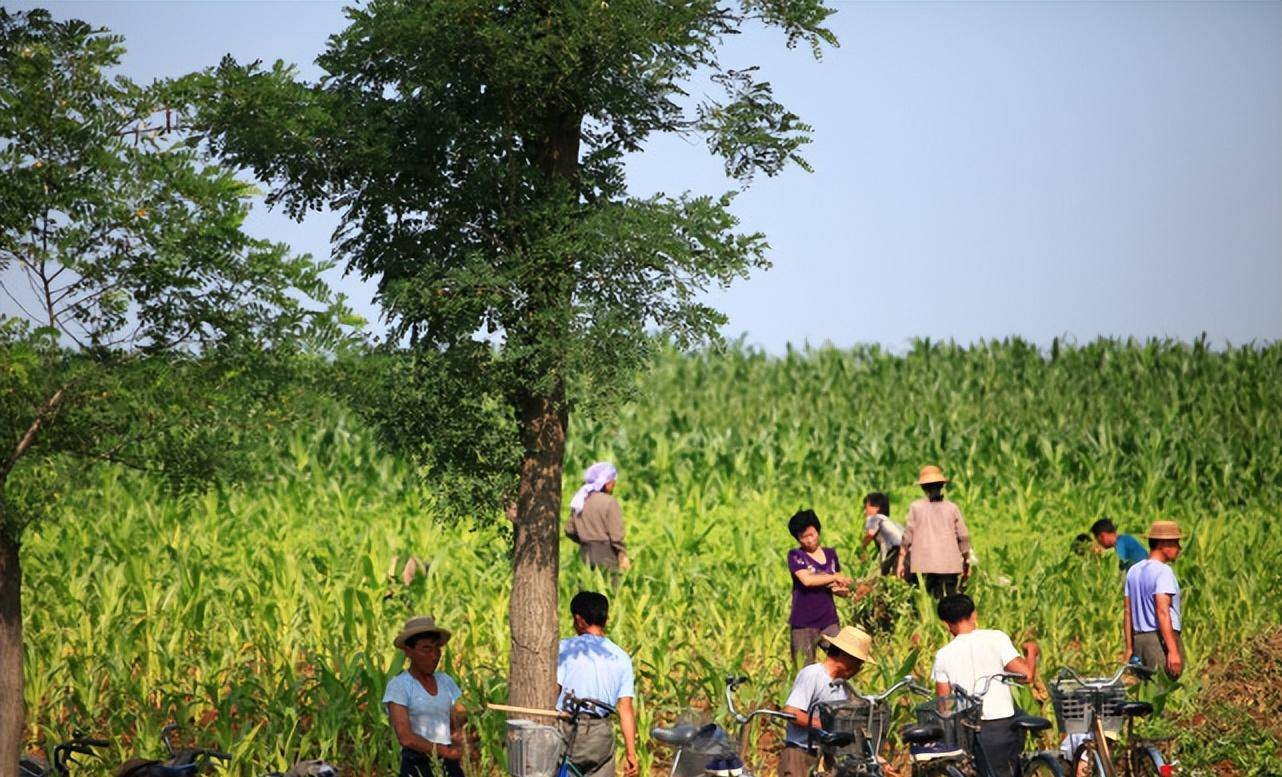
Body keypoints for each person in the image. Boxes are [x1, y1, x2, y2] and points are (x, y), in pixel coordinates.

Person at [931, 594, 1039, 777]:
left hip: (970, 729)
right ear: (974, 615)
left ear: (946, 624)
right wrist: (1032, 653)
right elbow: (1026, 675)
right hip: (1002, 723)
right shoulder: (996, 639)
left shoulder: (943, 655)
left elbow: (944, 704)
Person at [556, 591, 639, 777]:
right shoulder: (621, 657)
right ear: (606, 619)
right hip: (602, 735)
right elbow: (625, 708)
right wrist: (631, 753)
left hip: (570, 731)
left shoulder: (565, 649)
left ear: (578, 620)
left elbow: (554, 689)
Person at [780, 626, 876, 777]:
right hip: (801, 755)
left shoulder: (843, 687)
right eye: (858, 663)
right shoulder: (813, 674)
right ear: (846, 657)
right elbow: (791, 712)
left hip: (825, 759)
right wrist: (825, 725)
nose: (859, 669)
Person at [383, 616, 468, 777]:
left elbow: (455, 723)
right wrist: (444, 751)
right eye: (427, 649)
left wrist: (460, 742)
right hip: (417, 763)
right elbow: (405, 737)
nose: (435, 655)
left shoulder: (445, 681)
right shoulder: (399, 686)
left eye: (437, 649)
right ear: (409, 652)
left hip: (448, 762)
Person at [787, 509, 853, 667]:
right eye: (804, 537)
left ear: (818, 531)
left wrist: (846, 590)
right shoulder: (796, 555)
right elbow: (807, 580)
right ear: (798, 538)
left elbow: (833, 586)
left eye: (812, 534)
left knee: (841, 663)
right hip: (804, 623)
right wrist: (834, 577)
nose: (809, 540)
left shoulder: (830, 555)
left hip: (828, 620)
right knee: (805, 671)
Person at [896, 465, 972, 599]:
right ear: (942, 485)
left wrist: (901, 562)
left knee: (925, 603)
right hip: (949, 565)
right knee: (948, 603)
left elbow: (907, 538)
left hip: (923, 566)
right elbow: (963, 536)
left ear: (923, 488)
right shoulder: (952, 508)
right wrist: (966, 561)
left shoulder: (916, 508)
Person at [1123, 520, 1186, 679]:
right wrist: (1172, 651)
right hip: (1159, 641)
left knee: (1146, 693)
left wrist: (1130, 647)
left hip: (1139, 641)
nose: (1179, 548)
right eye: (1176, 543)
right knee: (1163, 691)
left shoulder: (1133, 571)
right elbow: (1162, 610)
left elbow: (1128, 612)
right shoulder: (1163, 571)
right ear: (1164, 544)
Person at [565, 462, 630, 574]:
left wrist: (584, 540)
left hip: (585, 553)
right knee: (607, 588)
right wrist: (622, 554)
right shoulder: (609, 502)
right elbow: (616, 536)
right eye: (613, 481)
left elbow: (569, 530)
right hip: (606, 553)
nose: (614, 484)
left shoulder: (580, 500)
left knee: (587, 588)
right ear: (607, 483)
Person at [860, 492, 905, 577]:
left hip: (895, 549)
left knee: (884, 574)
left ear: (876, 508)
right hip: (907, 549)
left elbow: (870, 534)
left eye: (866, 508)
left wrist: (862, 546)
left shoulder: (874, 518)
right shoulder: (890, 522)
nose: (864, 512)